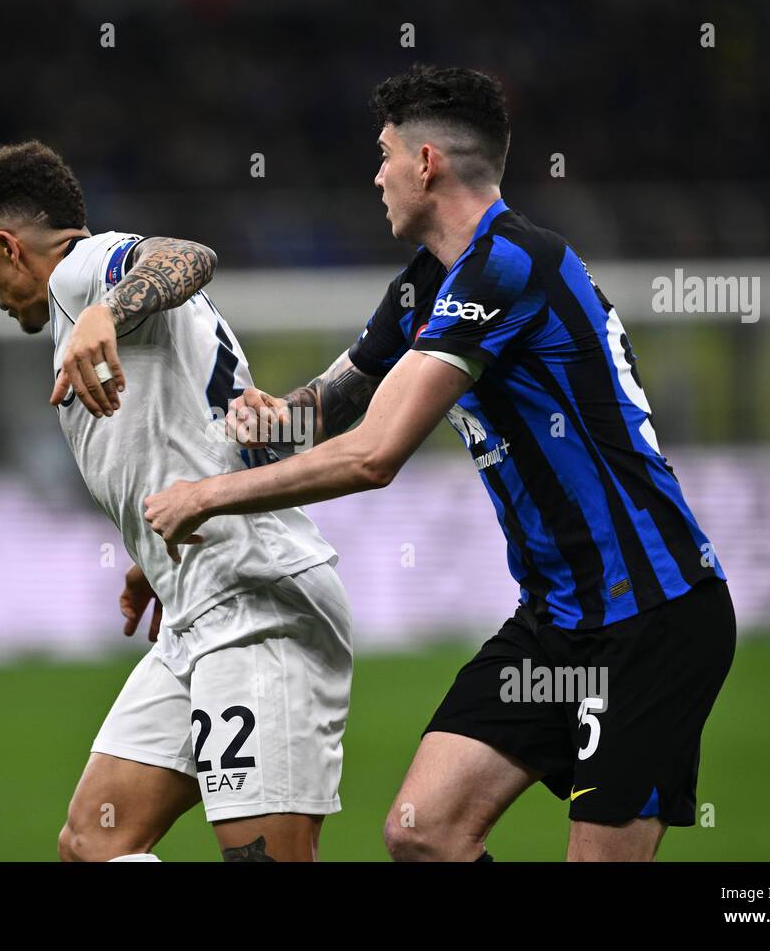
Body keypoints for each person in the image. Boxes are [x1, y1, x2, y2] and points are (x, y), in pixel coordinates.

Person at [143, 65, 736, 861]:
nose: (375, 174)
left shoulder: (510, 266)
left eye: (384, 154)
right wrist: (266, 420)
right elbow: (330, 412)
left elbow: (374, 455)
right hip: (556, 624)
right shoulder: (433, 282)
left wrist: (210, 496)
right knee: (422, 833)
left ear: (426, 164)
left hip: (652, 619)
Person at [0, 142, 352, 861]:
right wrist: (150, 556)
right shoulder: (84, 297)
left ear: (9, 246)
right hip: (195, 606)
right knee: (93, 843)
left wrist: (105, 309)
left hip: (254, 603)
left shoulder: (82, 273)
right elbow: (189, 430)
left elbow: (186, 255)